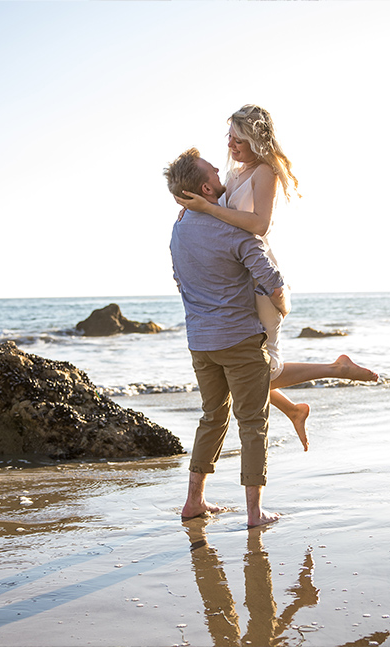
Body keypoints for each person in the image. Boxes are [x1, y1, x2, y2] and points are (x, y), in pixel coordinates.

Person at [175, 105, 378, 452]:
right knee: (250, 366)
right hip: (241, 278)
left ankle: (335, 369)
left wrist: (207, 209)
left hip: (260, 276)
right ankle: (293, 408)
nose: (231, 144)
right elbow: (220, 209)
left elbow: (258, 225)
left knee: (259, 369)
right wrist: (193, 208)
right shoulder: (236, 171)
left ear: (256, 139)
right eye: (230, 137)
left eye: (239, 139)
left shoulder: (265, 171)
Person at [165, 147, 287, 528]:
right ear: (205, 186)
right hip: (239, 339)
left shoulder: (179, 228)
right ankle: (255, 513)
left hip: (200, 342)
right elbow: (271, 280)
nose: (220, 169)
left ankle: (194, 502)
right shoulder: (234, 230)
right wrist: (281, 310)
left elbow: (178, 279)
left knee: (212, 417)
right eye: (212, 170)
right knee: (252, 423)